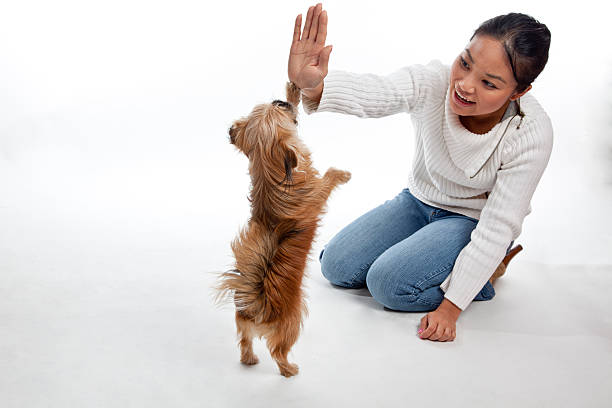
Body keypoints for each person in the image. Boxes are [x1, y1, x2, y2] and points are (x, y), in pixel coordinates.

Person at [287, 3, 552, 342]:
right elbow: (376, 93)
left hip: (472, 223)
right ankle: (437, 263)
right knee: (336, 266)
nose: (465, 85)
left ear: (518, 92)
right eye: (465, 62)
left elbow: (499, 224)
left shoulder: (529, 131)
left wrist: (452, 306)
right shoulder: (434, 82)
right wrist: (312, 85)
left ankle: (481, 279)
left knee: (388, 286)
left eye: (488, 83)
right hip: (417, 202)